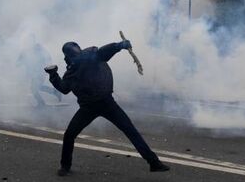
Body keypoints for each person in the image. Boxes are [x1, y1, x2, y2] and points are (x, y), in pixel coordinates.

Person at [44, 40, 170, 176]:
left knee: (130, 130)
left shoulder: (89, 56)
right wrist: (53, 75)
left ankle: (154, 163)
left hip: (105, 102)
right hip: (90, 107)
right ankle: (65, 166)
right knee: (70, 135)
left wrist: (118, 46)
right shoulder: (73, 69)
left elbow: (103, 52)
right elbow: (64, 88)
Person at [19, 42, 62, 107]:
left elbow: (39, 64)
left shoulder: (40, 54)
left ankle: (42, 103)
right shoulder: (38, 53)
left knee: (34, 89)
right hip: (38, 73)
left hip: (39, 73)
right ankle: (54, 92)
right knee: (37, 87)